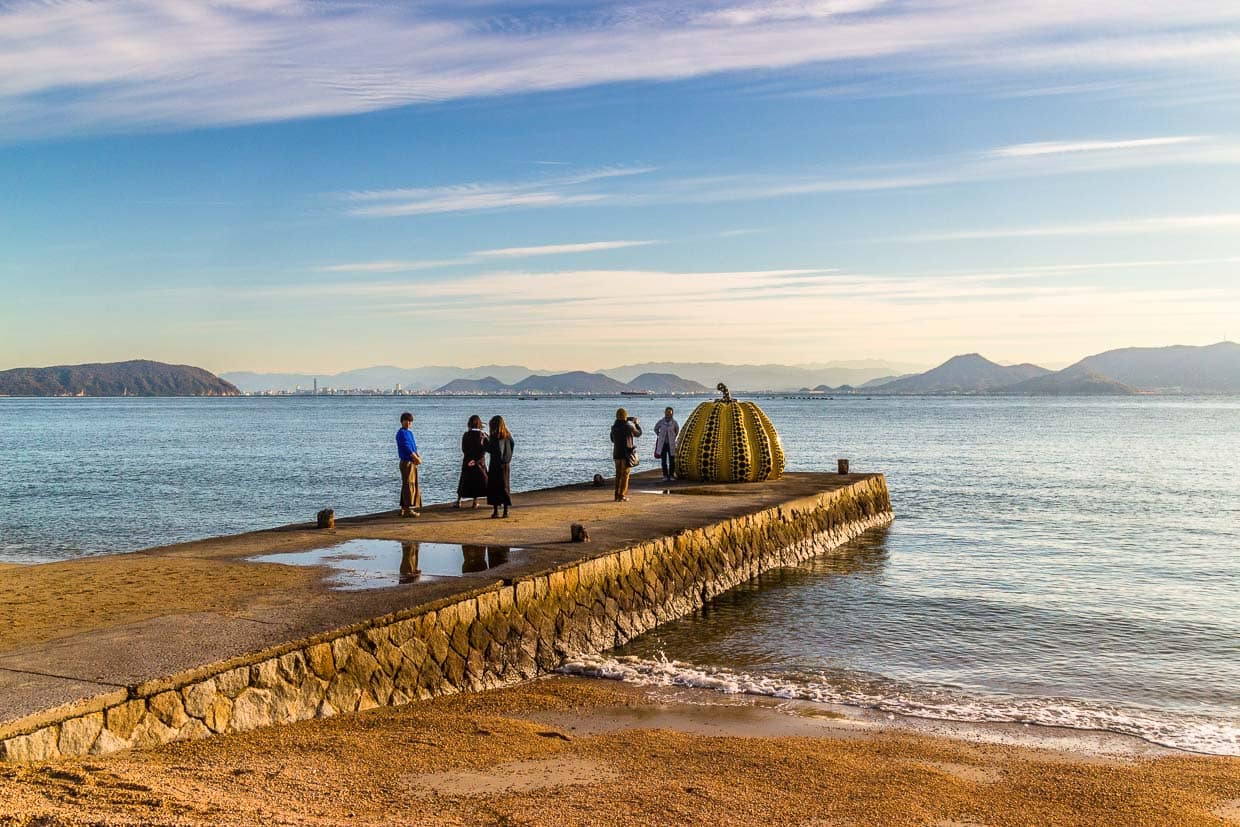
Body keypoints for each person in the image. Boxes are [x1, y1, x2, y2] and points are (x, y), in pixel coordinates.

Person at [455, 415, 489, 508]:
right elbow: (485, 449)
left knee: (464, 480)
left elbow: (464, 449)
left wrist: (470, 458)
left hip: (467, 460)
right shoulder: (482, 435)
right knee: (478, 481)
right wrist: (477, 460)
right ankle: (475, 501)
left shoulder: (466, 435)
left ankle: (458, 501)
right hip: (479, 462)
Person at [610, 407, 642, 501]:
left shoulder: (614, 427)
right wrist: (636, 423)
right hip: (626, 454)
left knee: (618, 475)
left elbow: (612, 440)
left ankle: (616, 495)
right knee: (625, 475)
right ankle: (622, 495)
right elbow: (638, 433)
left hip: (616, 453)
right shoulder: (629, 426)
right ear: (625, 416)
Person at [486, 415, 514, 518]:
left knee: (494, 487)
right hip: (506, 464)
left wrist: (485, 441)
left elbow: (491, 449)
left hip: (495, 464)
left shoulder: (494, 436)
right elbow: (512, 445)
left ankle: (496, 511)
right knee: (505, 486)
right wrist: (508, 457)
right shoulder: (507, 435)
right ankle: (506, 511)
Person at [396, 412, 421, 517]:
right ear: (402, 421)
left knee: (409, 484)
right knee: (409, 485)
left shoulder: (409, 433)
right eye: (406, 421)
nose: (408, 423)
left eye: (410, 421)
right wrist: (414, 457)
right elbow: (406, 447)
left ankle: (403, 507)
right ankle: (408, 509)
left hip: (411, 461)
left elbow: (413, 446)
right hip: (406, 461)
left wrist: (417, 456)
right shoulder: (401, 433)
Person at [653, 406, 679, 482]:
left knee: (672, 460)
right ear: (665, 413)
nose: (668, 414)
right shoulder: (661, 421)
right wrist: (659, 435)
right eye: (667, 412)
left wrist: (673, 437)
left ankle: (671, 475)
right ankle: (665, 475)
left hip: (671, 444)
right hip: (663, 444)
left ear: (672, 413)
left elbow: (677, 430)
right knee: (663, 461)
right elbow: (655, 428)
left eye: (670, 413)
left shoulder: (674, 422)